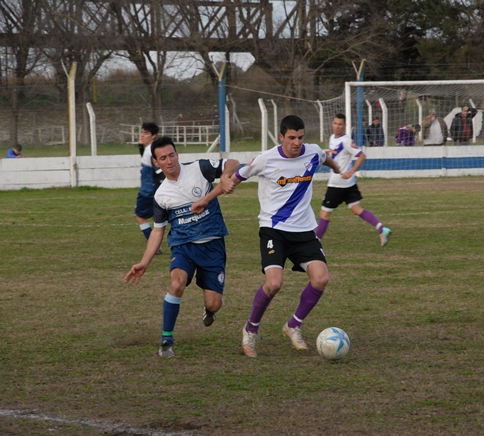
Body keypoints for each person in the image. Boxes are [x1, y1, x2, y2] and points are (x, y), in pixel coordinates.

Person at [230, 115, 340, 358]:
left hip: (304, 231)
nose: (296, 142)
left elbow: (325, 158)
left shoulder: (311, 153)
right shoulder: (266, 159)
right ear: (281, 137)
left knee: (321, 278)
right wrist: (225, 186)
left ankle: (294, 325)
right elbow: (239, 176)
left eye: (300, 137)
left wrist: (337, 168)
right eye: (291, 138)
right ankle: (251, 329)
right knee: (274, 283)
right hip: (274, 229)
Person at [125, 136, 239, 358]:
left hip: (212, 246)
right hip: (182, 246)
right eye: (163, 158)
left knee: (214, 304)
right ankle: (167, 338)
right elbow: (158, 230)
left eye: (172, 155)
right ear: (156, 163)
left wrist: (225, 177)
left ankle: (210, 308)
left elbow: (233, 163)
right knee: (176, 283)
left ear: (177, 154)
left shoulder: (199, 168)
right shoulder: (161, 195)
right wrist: (144, 262)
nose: (169, 161)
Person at [316, 113, 392, 247]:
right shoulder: (332, 138)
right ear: (332, 124)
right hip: (348, 185)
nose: (337, 126)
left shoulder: (346, 140)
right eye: (335, 123)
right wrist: (324, 154)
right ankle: (381, 228)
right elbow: (335, 153)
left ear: (344, 126)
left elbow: (361, 156)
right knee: (357, 209)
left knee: (324, 214)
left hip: (337, 184)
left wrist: (351, 172)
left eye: (340, 124)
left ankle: (315, 243)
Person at [134, 122, 163, 254]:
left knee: (140, 217)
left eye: (146, 133)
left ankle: (155, 247)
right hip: (152, 190)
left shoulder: (152, 151)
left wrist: (157, 189)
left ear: (154, 136)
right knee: (156, 217)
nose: (142, 135)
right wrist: (140, 146)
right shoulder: (150, 148)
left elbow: (158, 171)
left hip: (148, 191)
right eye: (142, 132)